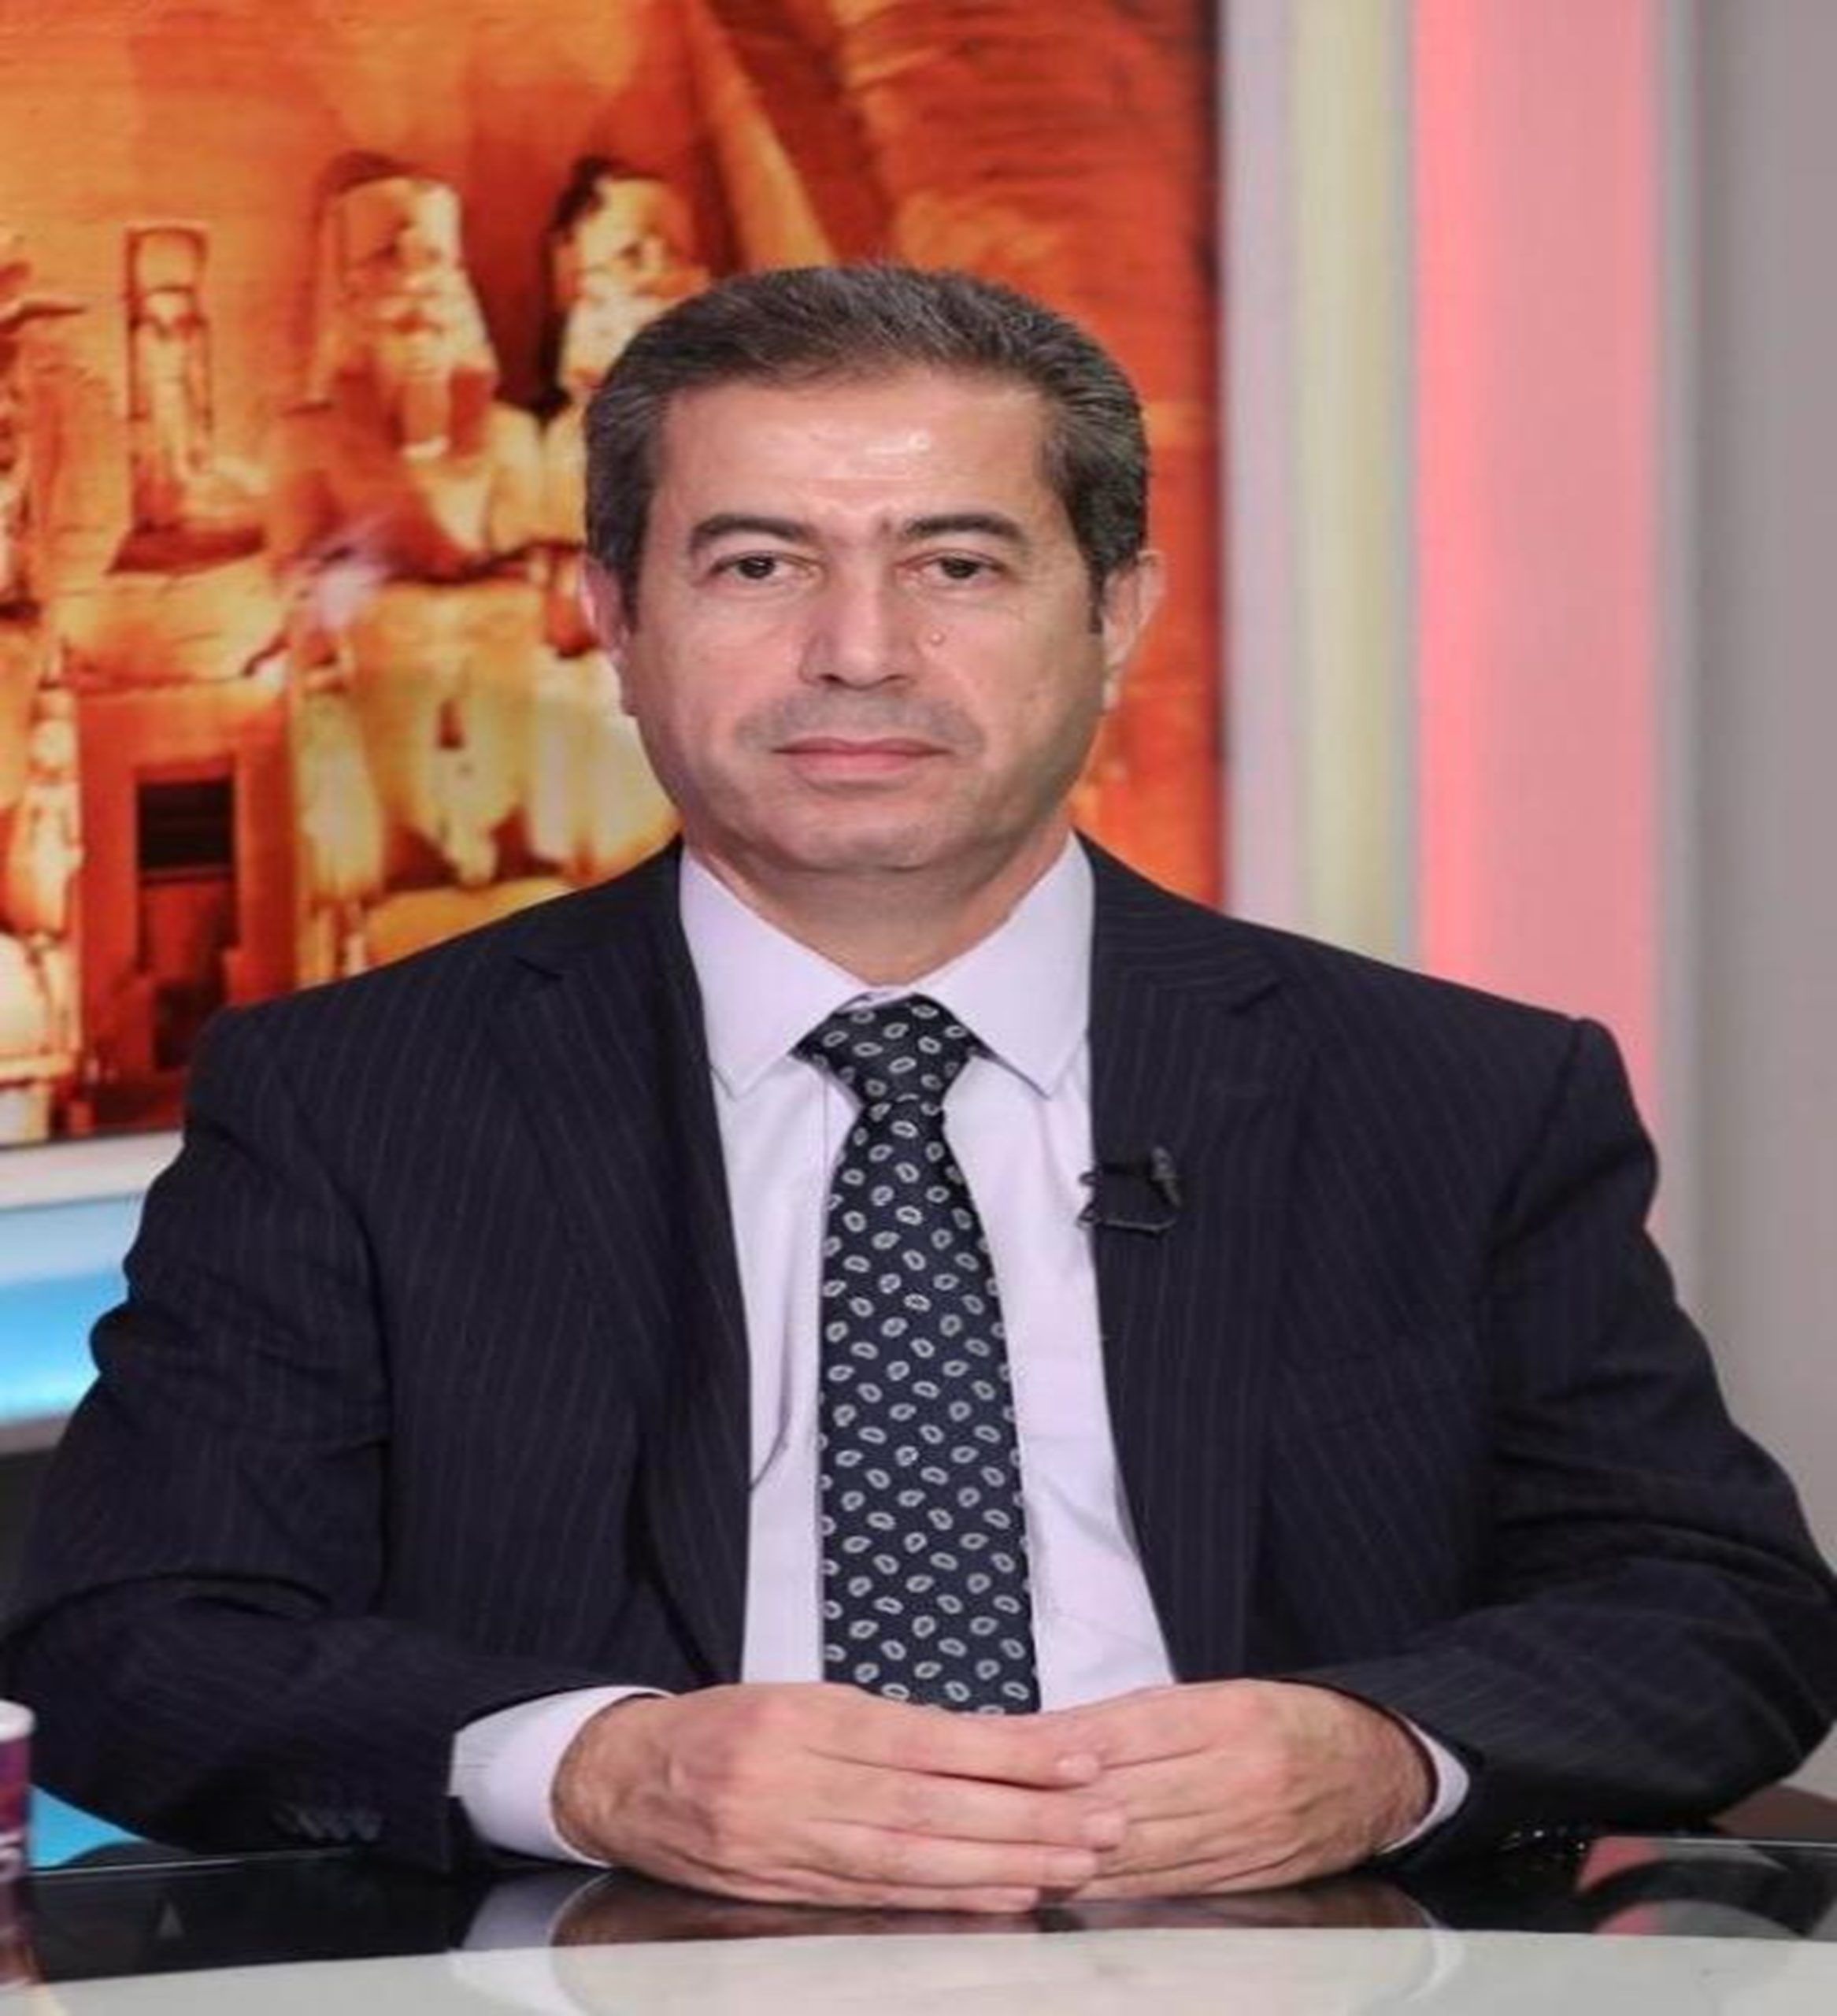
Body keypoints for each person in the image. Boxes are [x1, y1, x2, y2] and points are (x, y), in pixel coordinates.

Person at [5, 267, 1835, 1914]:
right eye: (757, 565)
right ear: (612, 616)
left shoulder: (1455, 1093)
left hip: (1284, 1951)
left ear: (1116, 610)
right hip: (614, 1955)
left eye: (958, 565)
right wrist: (594, 1765)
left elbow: (1719, 1605)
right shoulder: (353, 1097)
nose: (859, 650)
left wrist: (1378, 1751)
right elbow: (134, 1636)